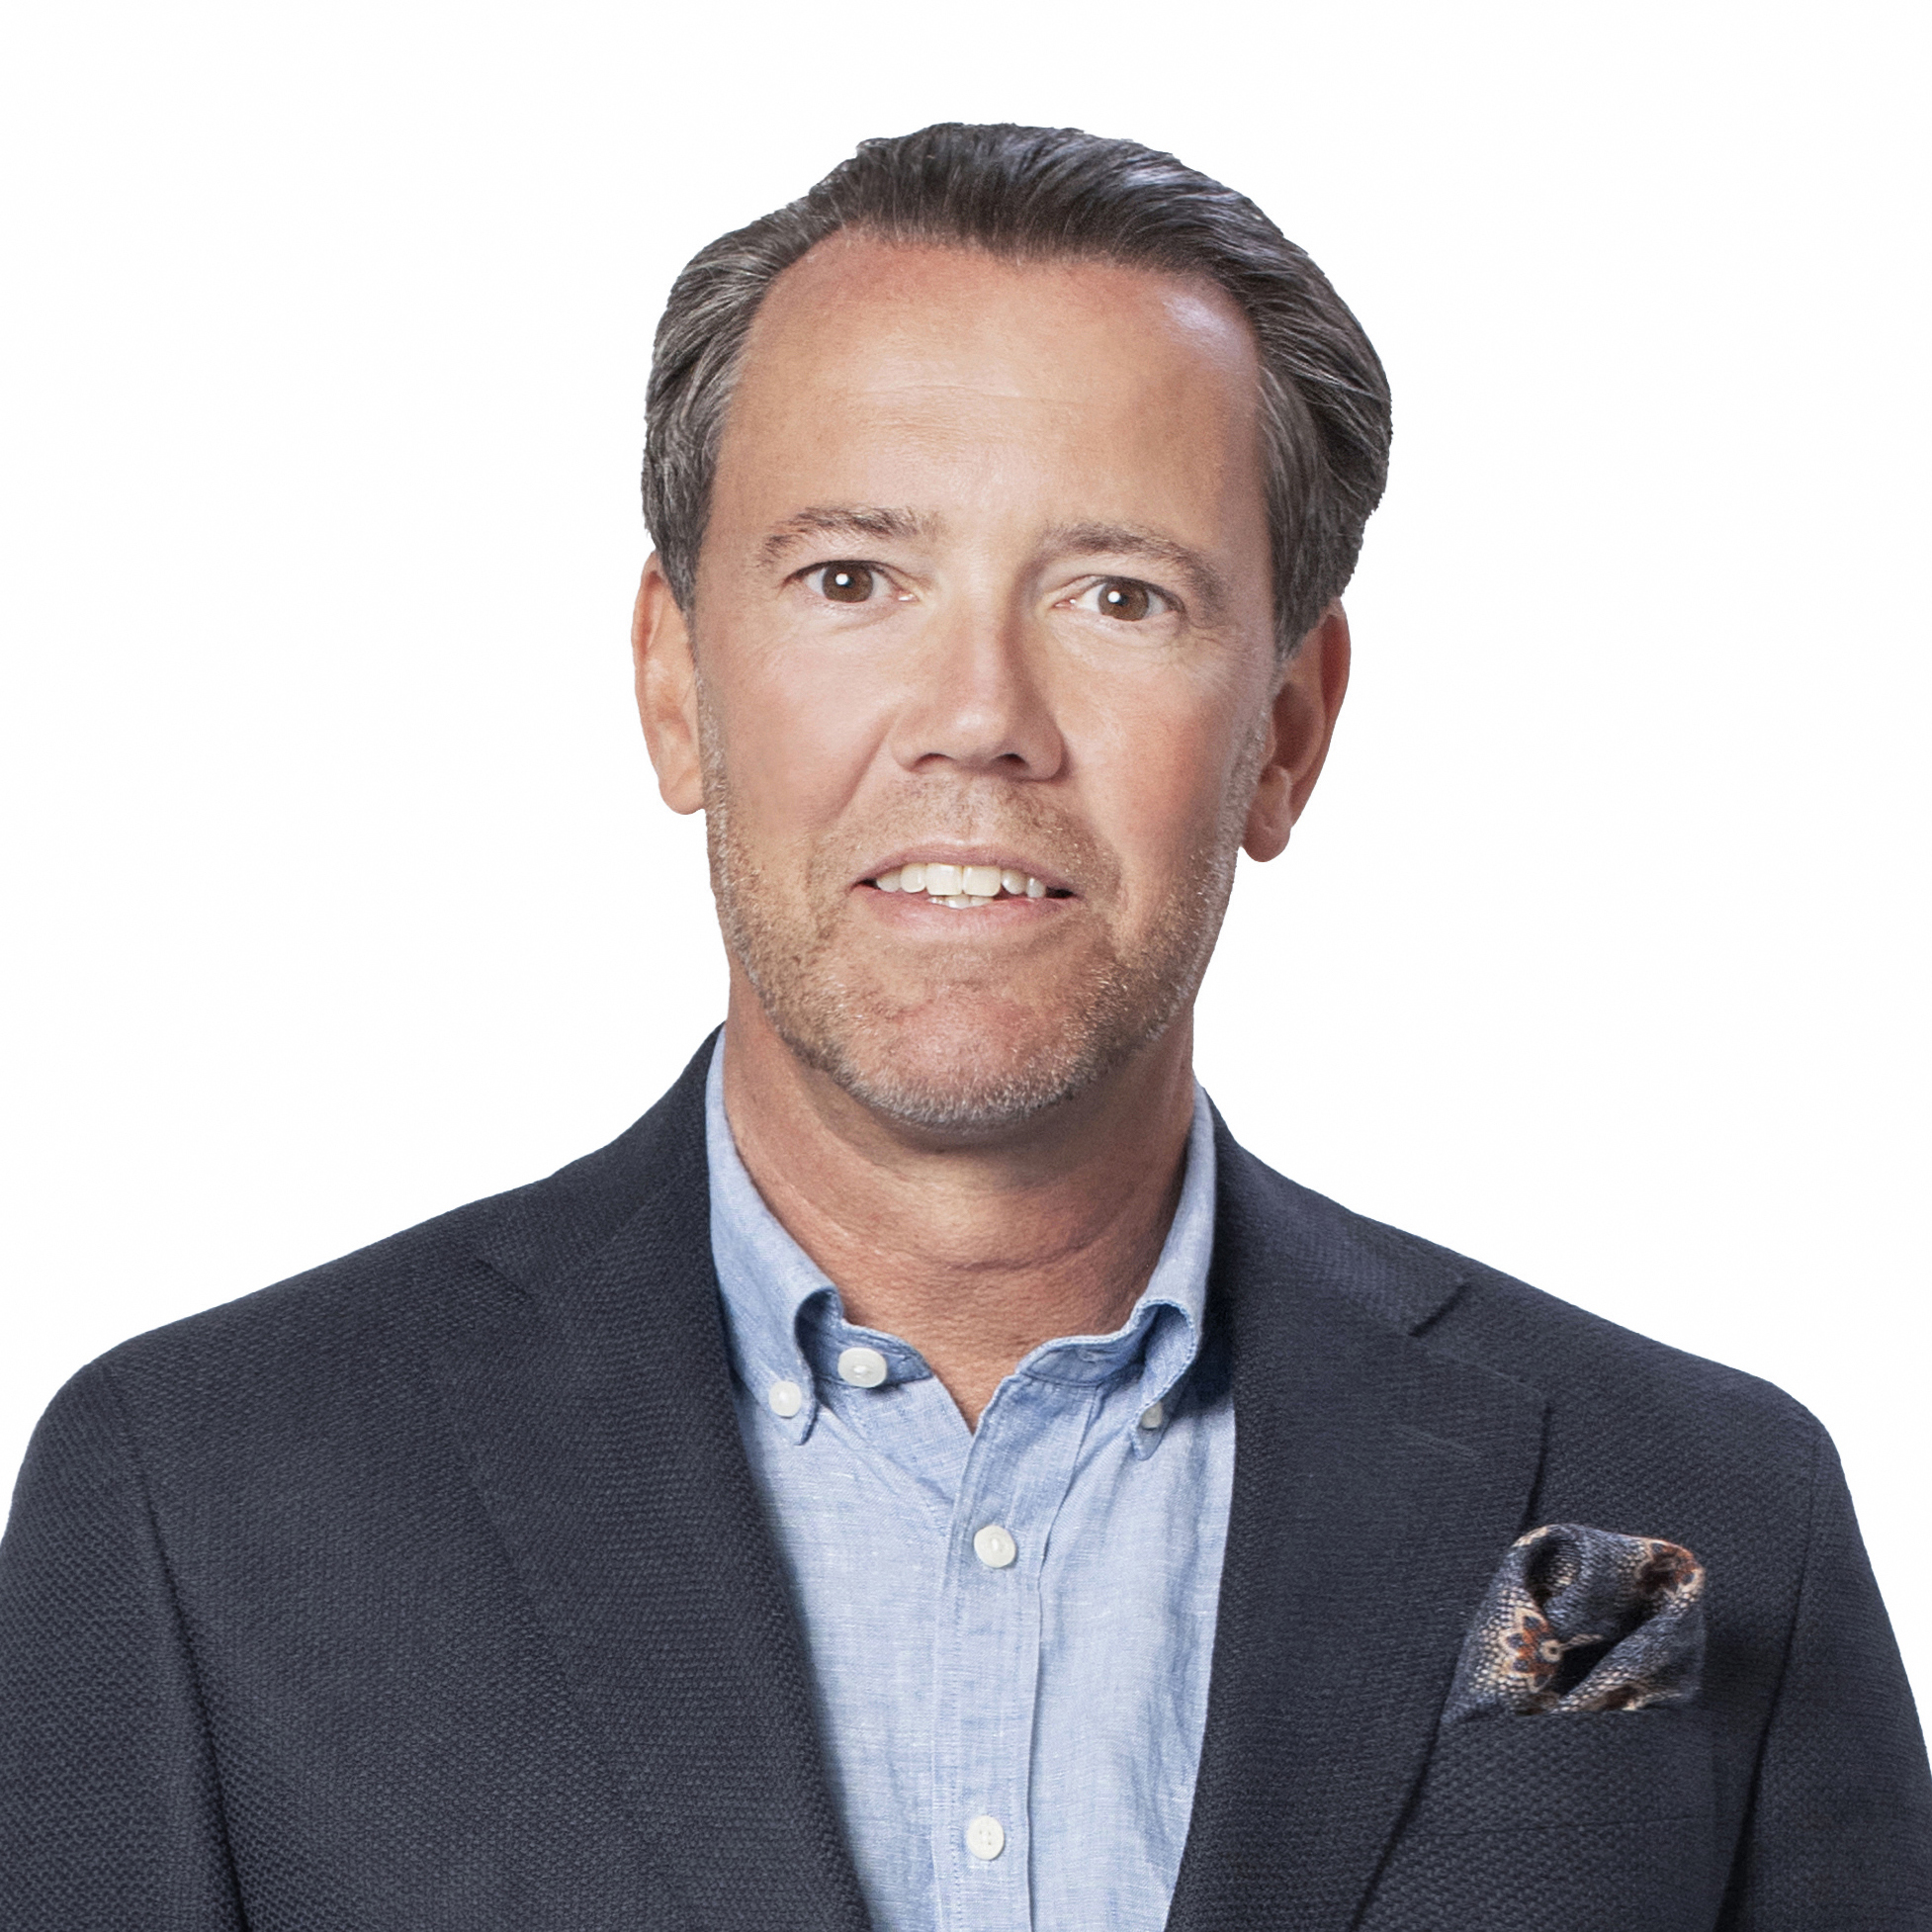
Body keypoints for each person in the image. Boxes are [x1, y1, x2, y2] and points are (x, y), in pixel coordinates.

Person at [1, 122, 1926, 1932]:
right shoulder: (195, 1504)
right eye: (852, 578)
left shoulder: (1704, 1490)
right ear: (674, 681)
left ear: (1285, 727)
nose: (977, 716)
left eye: (1117, 593)